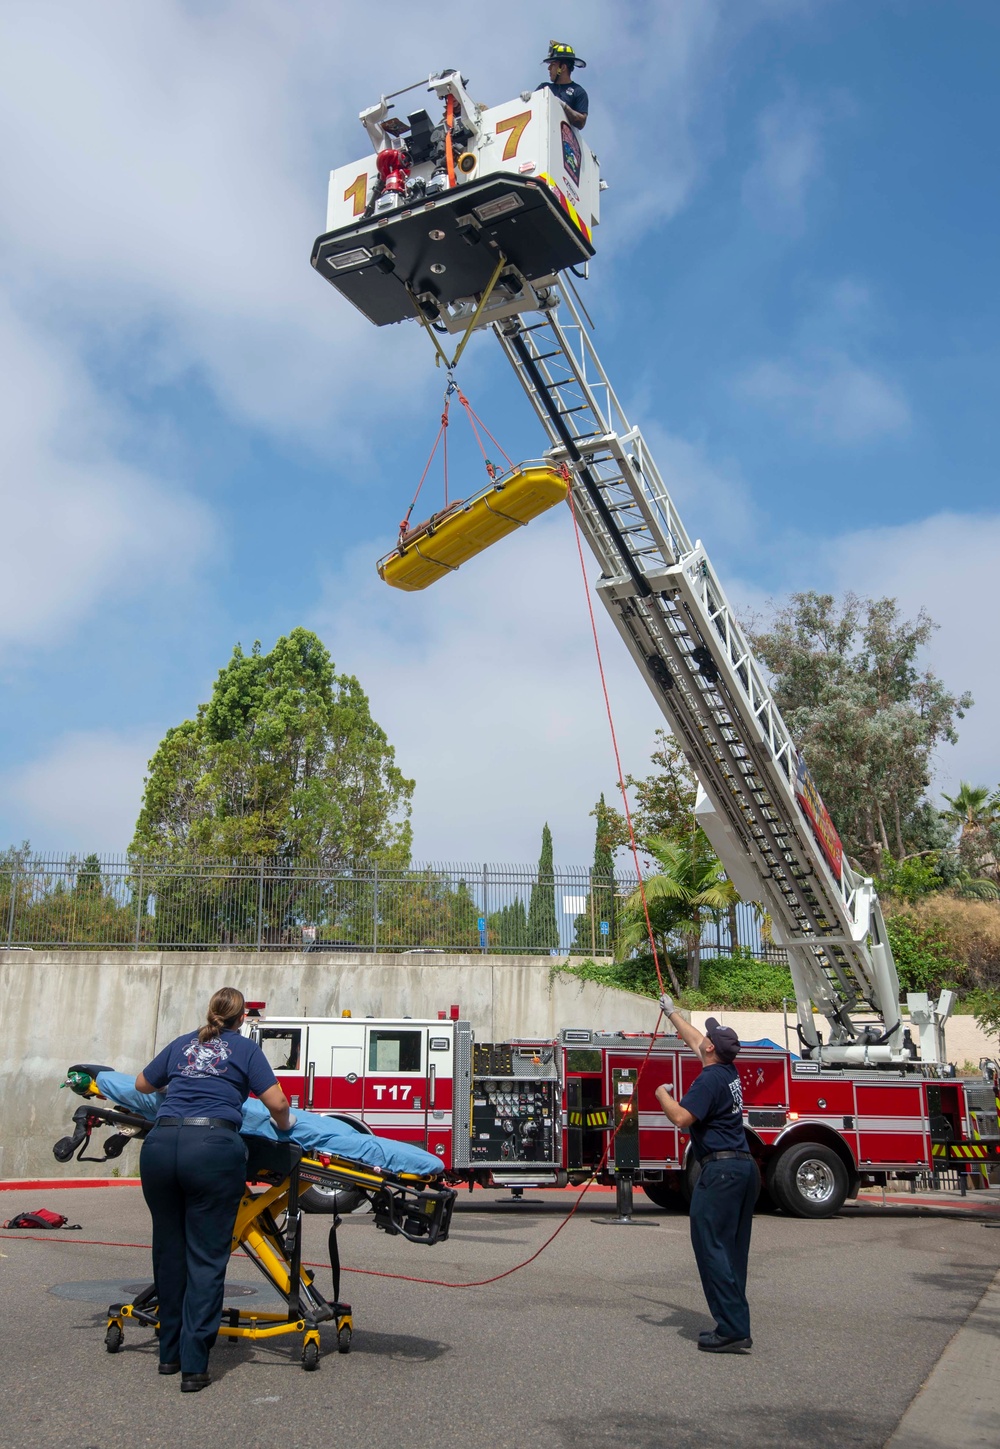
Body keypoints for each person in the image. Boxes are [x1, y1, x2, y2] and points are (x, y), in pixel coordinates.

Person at [135, 986, 292, 1392]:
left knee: (169, 1254)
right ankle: (194, 1367)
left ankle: (168, 1355)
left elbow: (140, 1084)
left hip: (160, 1146)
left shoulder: (182, 1043)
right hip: (210, 1149)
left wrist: (179, 1090)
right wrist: (286, 1131)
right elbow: (277, 1103)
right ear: (243, 1020)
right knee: (205, 1258)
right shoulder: (245, 1050)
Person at [654, 997, 757, 1354]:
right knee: (730, 1249)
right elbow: (694, 1038)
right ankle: (734, 1320)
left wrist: (661, 1094)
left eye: (708, 1038)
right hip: (743, 1168)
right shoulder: (727, 1070)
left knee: (710, 1244)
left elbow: (682, 1118)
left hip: (721, 1172)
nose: (703, 1039)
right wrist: (672, 1013)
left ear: (712, 1049)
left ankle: (732, 1328)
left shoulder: (710, 1079)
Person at [534, 40, 589, 129]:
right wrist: (527, 100)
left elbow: (581, 122)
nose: (549, 68)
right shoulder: (544, 87)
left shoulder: (578, 92)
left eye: (553, 64)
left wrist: (564, 106)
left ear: (562, 68)